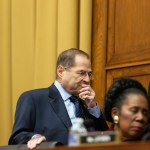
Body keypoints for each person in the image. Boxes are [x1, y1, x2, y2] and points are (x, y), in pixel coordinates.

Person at [8, 48, 108, 149]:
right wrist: (34, 137)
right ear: (61, 71)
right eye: (81, 73)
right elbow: (16, 138)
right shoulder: (33, 99)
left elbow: (106, 138)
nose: (87, 79)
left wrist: (92, 107)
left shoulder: (86, 104)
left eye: (89, 74)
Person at [103, 77, 149, 141]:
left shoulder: (147, 142)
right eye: (134, 110)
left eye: (145, 112)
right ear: (115, 113)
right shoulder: (98, 143)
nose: (141, 118)